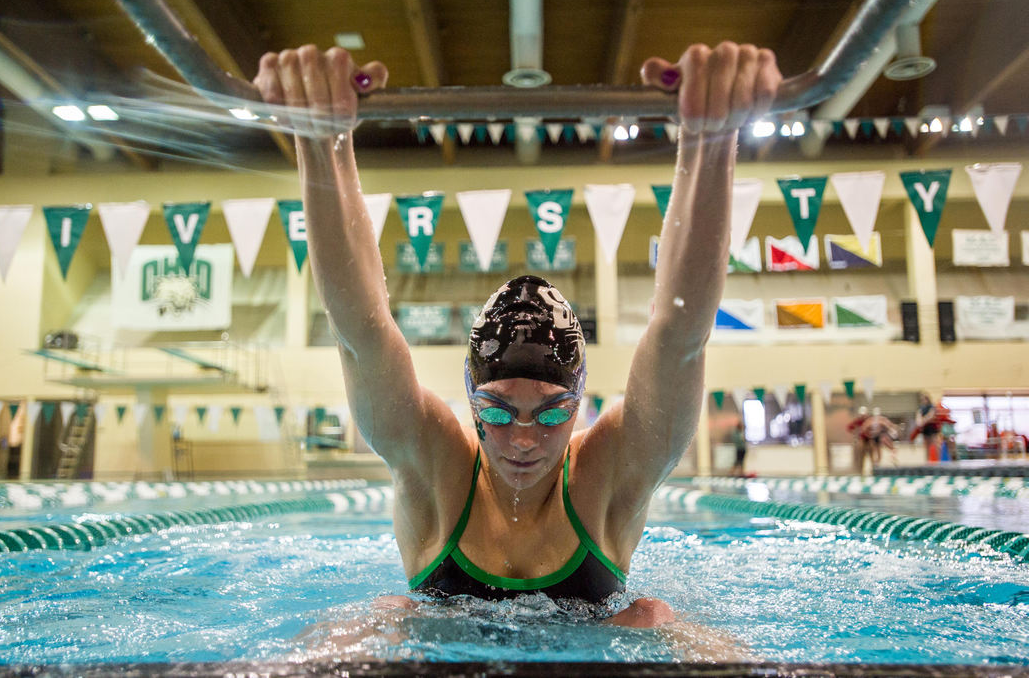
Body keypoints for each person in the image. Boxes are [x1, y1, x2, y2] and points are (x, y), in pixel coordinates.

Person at [253, 41, 781, 651]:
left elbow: (680, 334)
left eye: (551, 412)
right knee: (380, 616)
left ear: (581, 402)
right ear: (470, 400)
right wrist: (321, 139)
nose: (523, 440)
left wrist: (710, 139)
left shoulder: (609, 474)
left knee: (657, 619)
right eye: (498, 412)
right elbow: (361, 328)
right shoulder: (435, 465)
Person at [914, 393, 941, 462]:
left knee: (935, 445)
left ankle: (938, 461)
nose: (923, 401)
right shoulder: (921, 408)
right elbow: (918, 418)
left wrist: (923, 421)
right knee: (927, 447)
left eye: (924, 399)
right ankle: (928, 462)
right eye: (921, 400)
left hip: (933, 429)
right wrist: (920, 422)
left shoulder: (932, 407)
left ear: (927, 399)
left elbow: (930, 416)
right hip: (925, 430)